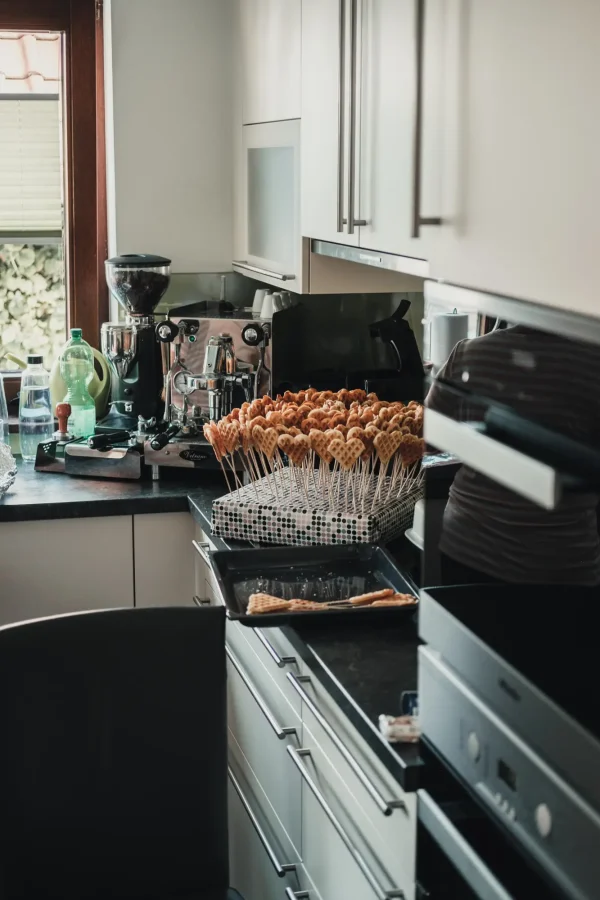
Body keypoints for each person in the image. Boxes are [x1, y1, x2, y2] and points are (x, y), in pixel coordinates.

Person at [425, 324, 600, 586]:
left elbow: (428, 437)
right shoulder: (593, 363)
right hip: (562, 561)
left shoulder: (471, 352)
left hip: (470, 547)